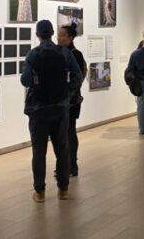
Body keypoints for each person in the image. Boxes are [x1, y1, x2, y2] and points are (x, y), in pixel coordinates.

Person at [21, 20, 82, 203]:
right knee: (62, 150)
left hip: (38, 109)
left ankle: (39, 192)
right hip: (60, 108)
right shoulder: (63, 52)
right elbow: (77, 75)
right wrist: (68, 93)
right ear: (52, 33)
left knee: (39, 152)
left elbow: (25, 81)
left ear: (38, 34)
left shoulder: (33, 54)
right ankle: (63, 190)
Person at [57, 23, 87, 177]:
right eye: (58, 34)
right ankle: (64, 165)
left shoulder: (76, 54)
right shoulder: (57, 52)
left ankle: (71, 165)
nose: (59, 38)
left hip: (71, 99)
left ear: (70, 37)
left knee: (69, 131)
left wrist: (69, 94)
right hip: (61, 98)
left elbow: (80, 76)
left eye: (62, 35)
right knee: (61, 133)